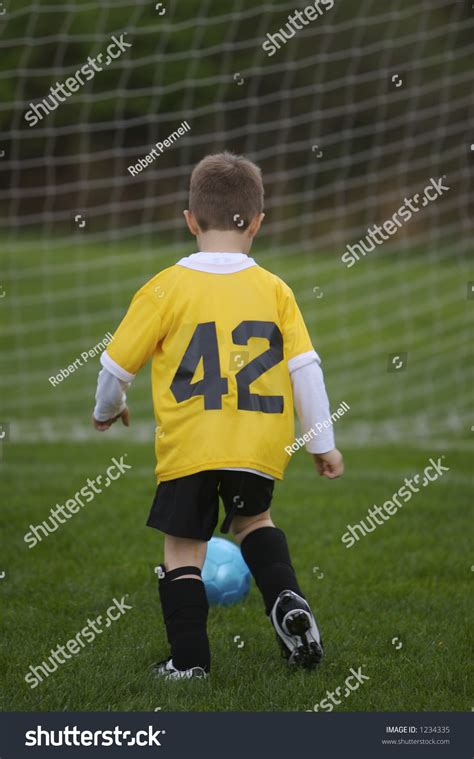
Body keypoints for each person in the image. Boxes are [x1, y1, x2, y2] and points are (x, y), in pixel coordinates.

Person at [92, 151, 344, 681]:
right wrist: (322, 443)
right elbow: (307, 371)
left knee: (184, 547)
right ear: (256, 222)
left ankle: (189, 663)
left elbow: (115, 366)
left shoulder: (164, 286)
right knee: (254, 522)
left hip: (190, 447)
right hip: (257, 448)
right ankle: (290, 602)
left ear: (190, 220)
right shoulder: (276, 290)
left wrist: (107, 410)